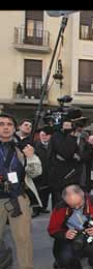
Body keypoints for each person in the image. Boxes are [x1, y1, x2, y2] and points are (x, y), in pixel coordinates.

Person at [0, 113, 43, 269]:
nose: (5, 127)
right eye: (1, 124)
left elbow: (35, 173)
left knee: (23, 239)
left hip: (17, 197)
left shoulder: (22, 147)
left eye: (9, 124)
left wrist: (31, 157)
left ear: (14, 128)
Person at [48, 184, 93, 269]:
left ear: (82, 195)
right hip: (72, 241)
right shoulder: (60, 208)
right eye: (72, 205)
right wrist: (64, 234)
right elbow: (52, 229)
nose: (76, 207)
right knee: (65, 259)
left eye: (79, 204)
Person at [32, 128, 53, 217]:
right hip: (38, 172)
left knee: (46, 191)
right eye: (42, 135)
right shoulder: (35, 145)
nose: (44, 137)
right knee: (37, 191)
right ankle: (36, 209)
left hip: (50, 172)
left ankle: (43, 207)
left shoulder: (53, 146)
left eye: (46, 135)